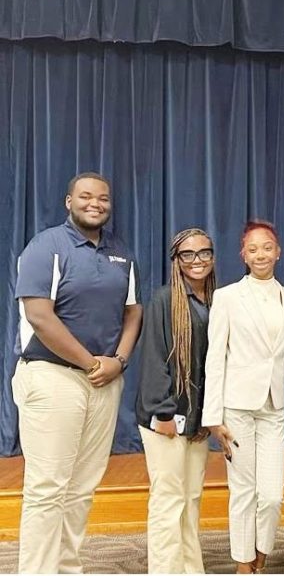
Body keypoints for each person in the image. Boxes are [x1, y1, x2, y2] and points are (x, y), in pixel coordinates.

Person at [11, 172, 143, 574]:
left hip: (104, 381)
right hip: (53, 377)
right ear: (69, 201)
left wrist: (117, 361)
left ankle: (67, 568)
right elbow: (39, 316)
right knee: (48, 489)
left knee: (82, 488)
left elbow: (133, 311)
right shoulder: (46, 246)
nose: (95, 204)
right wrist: (90, 362)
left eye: (103, 198)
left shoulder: (121, 253)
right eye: (86, 196)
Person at [201, 220, 284, 574]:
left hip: (273, 406)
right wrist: (213, 416)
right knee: (243, 491)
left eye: (268, 247)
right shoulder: (227, 297)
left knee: (272, 495)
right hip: (236, 407)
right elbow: (215, 357)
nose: (261, 254)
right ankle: (244, 564)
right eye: (253, 248)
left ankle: (262, 551)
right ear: (244, 254)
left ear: (278, 252)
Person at [135, 228, 217, 573]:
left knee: (191, 499)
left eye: (204, 253)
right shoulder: (165, 300)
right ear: (177, 261)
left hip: (197, 419)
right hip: (166, 417)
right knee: (169, 501)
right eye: (188, 254)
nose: (197, 261)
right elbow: (155, 358)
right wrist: (164, 412)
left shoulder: (217, 300)